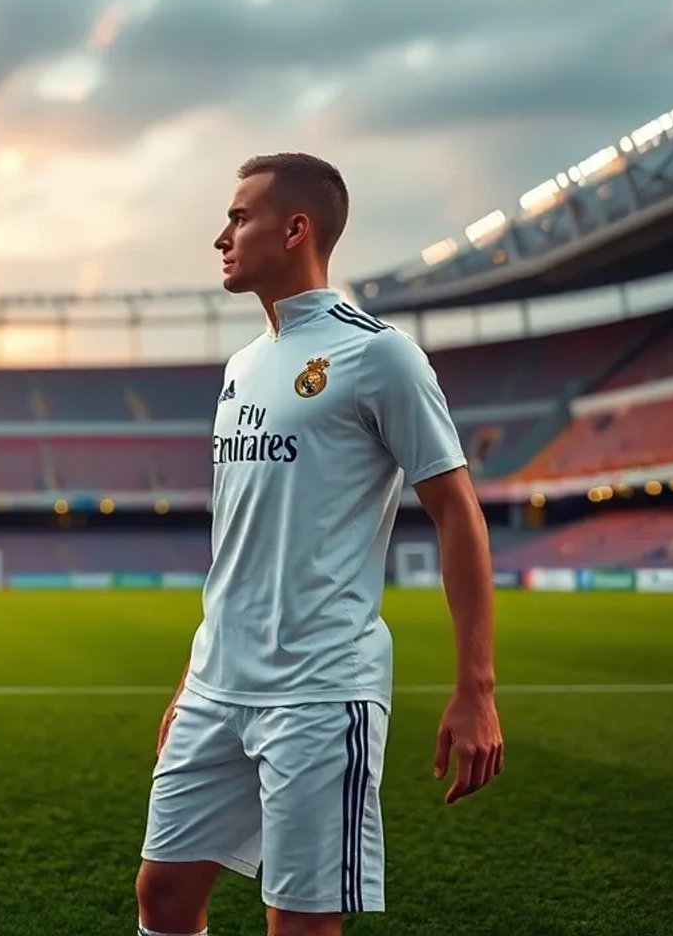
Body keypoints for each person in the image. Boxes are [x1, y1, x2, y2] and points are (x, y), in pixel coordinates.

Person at [136, 154, 503, 936]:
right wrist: (189, 679)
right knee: (163, 896)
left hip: (319, 689)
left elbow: (456, 510)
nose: (221, 236)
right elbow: (242, 544)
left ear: (296, 229)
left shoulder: (380, 355)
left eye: (239, 218)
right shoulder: (241, 367)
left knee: (299, 924)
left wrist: (476, 687)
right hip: (216, 686)